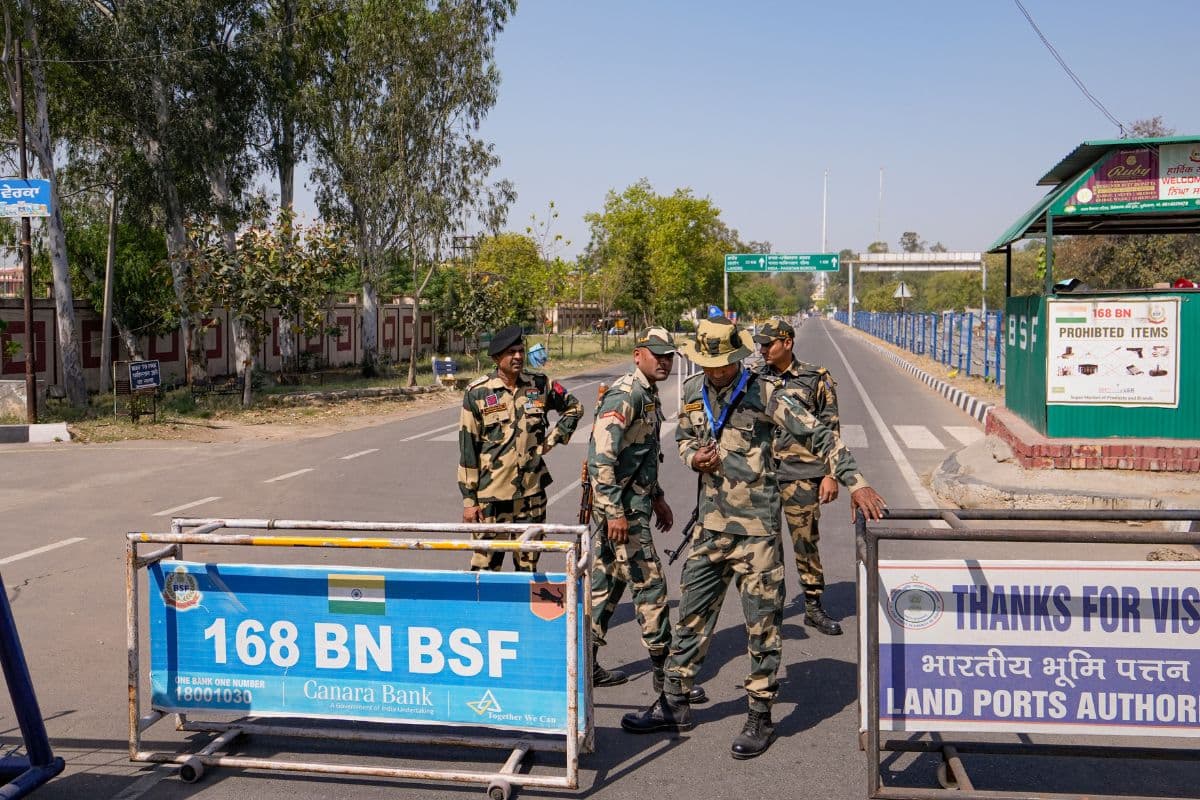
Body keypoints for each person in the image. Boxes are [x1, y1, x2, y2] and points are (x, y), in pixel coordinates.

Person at [621, 316, 886, 760]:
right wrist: (695, 458)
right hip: (710, 528)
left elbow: (818, 433)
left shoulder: (765, 392)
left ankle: (760, 713)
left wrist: (854, 481)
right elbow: (685, 441)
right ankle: (674, 702)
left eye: (724, 363)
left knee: (762, 625)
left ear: (737, 357)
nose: (717, 371)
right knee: (691, 618)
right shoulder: (691, 392)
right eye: (708, 364)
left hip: (757, 534)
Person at [587, 327, 676, 689]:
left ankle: (584, 663)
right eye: (658, 355)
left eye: (669, 356)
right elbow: (600, 460)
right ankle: (665, 678)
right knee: (650, 586)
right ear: (638, 354)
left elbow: (641, 454)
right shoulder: (626, 395)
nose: (665, 362)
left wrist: (657, 496)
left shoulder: (647, 393)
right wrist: (615, 514)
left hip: (632, 504)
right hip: (621, 511)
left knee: (605, 584)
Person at [753, 316, 852, 636]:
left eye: (769, 344)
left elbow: (830, 427)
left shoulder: (815, 378)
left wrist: (830, 475)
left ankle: (812, 606)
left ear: (788, 343)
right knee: (764, 546)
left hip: (803, 474)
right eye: (761, 344)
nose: (763, 349)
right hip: (764, 475)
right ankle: (769, 611)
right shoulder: (755, 379)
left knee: (805, 542)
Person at [458, 324, 583, 571]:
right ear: (496, 358)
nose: (517, 356)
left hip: (531, 495)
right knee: (485, 570)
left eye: (520, 350)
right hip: (490, 499)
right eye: (510, 352)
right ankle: (484, 611)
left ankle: (522, 610)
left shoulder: (540, 384)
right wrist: (469, 501)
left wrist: (552, 439)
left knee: (527, 569)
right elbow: (467, 448)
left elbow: (574, 409)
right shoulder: (478, 393)